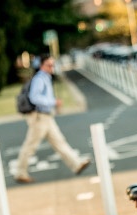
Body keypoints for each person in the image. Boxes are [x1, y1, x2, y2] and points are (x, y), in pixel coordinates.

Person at [15, 54, 90, 183]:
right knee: (30, 145)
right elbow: (35, 97)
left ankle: (76, 164)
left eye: (52, 65)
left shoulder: (46, 78)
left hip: (46, 117)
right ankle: (20, 172)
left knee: (59, 142)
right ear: (41, 66)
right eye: (48, 65)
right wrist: (52, 102)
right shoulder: (39, 78)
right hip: (39, 117)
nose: (51, 67)